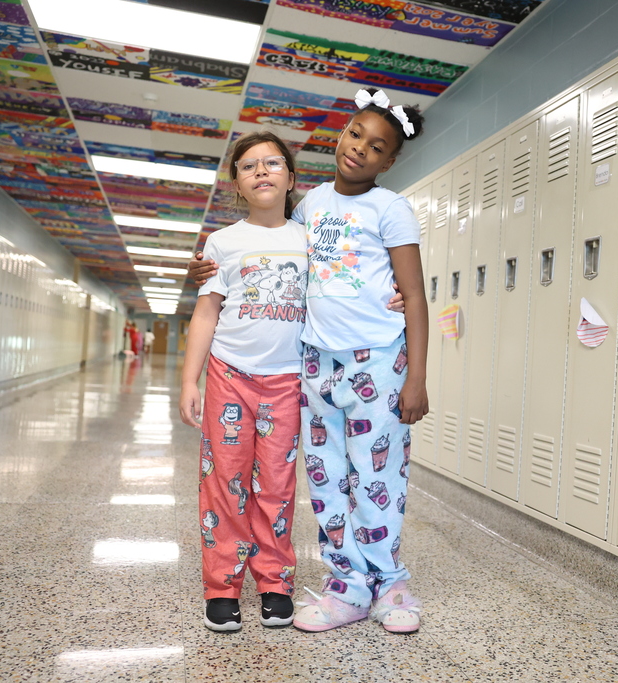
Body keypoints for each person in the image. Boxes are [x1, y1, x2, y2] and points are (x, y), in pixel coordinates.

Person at [188, 87, 430, 634]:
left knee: (376, 477)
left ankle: (389, 584)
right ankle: (346, 584)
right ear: (340, 135)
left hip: (377, 362)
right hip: (315, 365)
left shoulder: (390, 208)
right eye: (355, 134)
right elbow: (261, 249)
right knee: (325, 480)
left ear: (389, 160)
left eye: (377, 146)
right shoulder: (311, 205)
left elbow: (413, 294)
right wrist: (203, 270)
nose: (361, 149)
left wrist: (417, 376)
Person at [179, 131, 307, 633]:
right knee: (224, 482)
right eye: (248, 165)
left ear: (291, 178)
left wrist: (393, 300)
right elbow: (207, 314)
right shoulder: (223, 242)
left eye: (272, 163)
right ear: (237, 182)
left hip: (288, 381)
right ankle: (222, 587)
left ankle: (274, 583)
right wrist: (190, 381)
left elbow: (341, 291)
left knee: (276, 485)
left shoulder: (307, 237)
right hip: (229, 375)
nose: (261, 171)